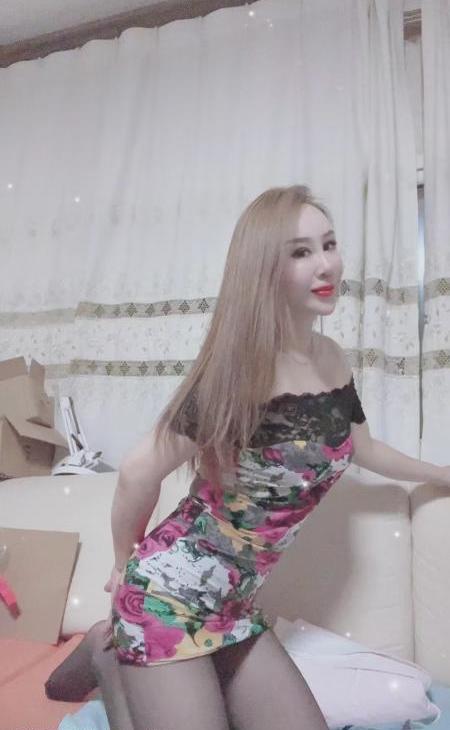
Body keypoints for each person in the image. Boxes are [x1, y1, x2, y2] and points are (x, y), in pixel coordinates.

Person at [44, 185, 449, 730]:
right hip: (167, 596)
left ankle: (111, 645)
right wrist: (123, 562)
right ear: (264, 269)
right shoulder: (236, 373)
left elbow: (364, 447)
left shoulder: (331, 359)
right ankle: (109, 645)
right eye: (300, 252)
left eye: (329, 244)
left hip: (234, 606)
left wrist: (440, 474)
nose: (326, 264)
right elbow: (139, 470)